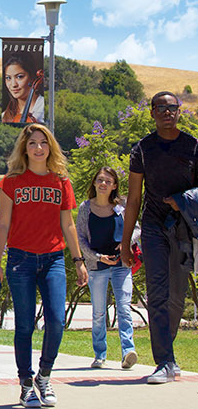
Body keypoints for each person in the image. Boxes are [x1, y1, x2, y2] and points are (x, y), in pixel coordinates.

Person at [0, 123, 88, 408]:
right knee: (24, 326)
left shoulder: (61, 182)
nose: (37, 148)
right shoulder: (12, 181)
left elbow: (68, 224)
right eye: (32, 143)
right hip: (20, 259)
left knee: (56, 321)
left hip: (54, 259)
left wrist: (78, 261)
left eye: (43, 143)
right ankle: (25, 384)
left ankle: (44, 376)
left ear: (50, 147)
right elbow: (4, 224)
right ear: (25, 147)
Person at [120, 91, 196, 384]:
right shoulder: (142, 149)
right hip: (152, 227)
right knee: (158, 293)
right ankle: (164, 361)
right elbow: (134, 198)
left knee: (177, 296)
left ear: (179, 112)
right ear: (152, 112)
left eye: (172, 107)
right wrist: (126, 243)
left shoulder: (193, 146)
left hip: (184, 228)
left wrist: (182, 201)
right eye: (160, 108)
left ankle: (169, 355)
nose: (167, 112)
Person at [77, 166, 139, 370]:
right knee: (98, 312)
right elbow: (80, 239)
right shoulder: (85, 208)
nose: (103, 184)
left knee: (124, 308)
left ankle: (128, 352)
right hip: (98, 266)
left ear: (114, 186)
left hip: (122, 264)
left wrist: (127, 243)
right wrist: (96, 257)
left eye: (108, 181)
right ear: (94, 183)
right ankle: (99, 354)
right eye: (100, 180)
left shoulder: (121, 206)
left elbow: (137, 228)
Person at [1, 52, 44, 124]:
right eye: (8, 78)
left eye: (19, 77)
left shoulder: (44, 108)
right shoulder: (4, 116)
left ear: (32, 77)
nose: (13, 84)